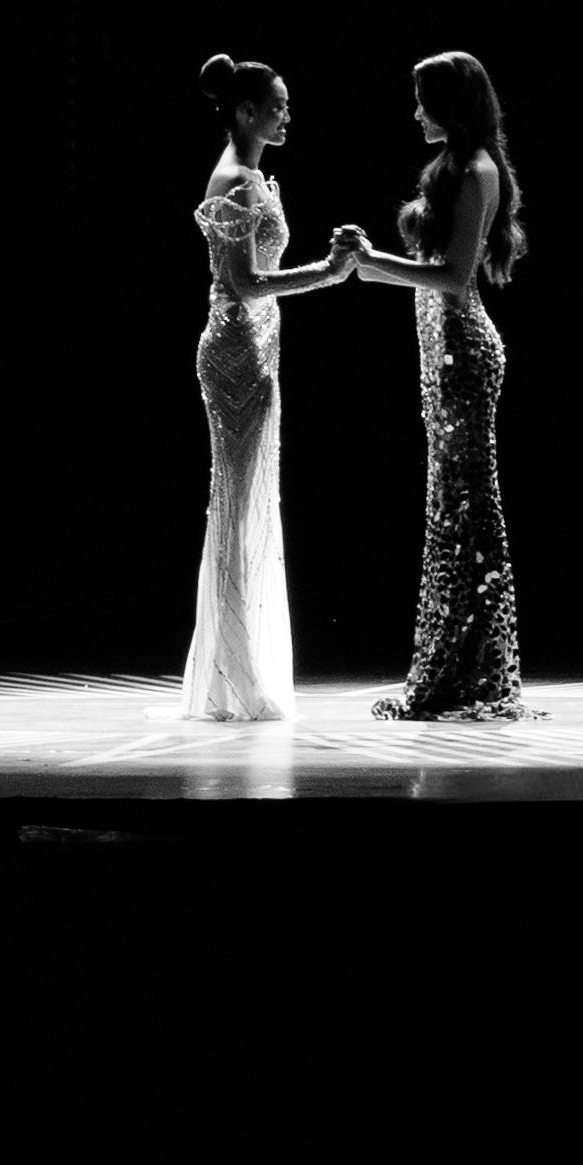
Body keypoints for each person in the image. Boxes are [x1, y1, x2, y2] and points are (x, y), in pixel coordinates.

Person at [335, 51, 539, 723]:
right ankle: (455, 666)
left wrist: (374, 262)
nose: (415, 111)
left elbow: (453, 277)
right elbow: (426, 271)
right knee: (449, 512)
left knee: (468, 514)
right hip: (441, 357)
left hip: (464, 356)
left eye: (424, 99)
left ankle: (472, 670)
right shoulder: (450, 167)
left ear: (451, 103)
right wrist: (369, 267)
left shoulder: (478, 170)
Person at [182, 55, 356, 721]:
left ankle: (241, 666)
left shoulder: (250, 175)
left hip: (254, 346)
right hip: (234, 352)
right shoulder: (234, 178)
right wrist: (325, 272)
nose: (287, 114)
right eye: (277, 104)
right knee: (235, 506)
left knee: (249, 502)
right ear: (247, 110)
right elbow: (244, 284)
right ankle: (233, 675)